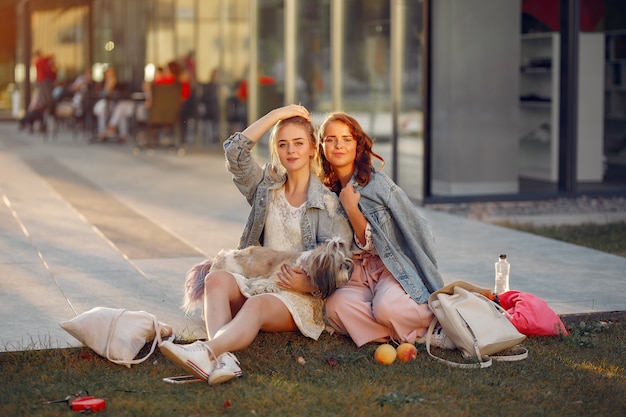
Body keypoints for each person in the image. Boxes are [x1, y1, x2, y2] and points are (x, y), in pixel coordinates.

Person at [159, 105, 353, 385]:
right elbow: (235, 153)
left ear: (312, 148)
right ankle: (225, 360)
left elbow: (341, 267)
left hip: (298, 297)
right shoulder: (265, 190)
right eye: (282, 144)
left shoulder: (328, 204)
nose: (291, 151)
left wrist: (306, 284)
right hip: (257, 282)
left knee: (256, 306)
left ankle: (208, 352)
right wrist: (278, 114)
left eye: (299, 143)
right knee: (215, 279)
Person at [317, 111, 453, 349]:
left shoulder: (377, 184)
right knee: (335, 308)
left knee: (386, 308)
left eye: (346, 139)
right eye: (331, 139)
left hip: (389, 267)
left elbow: (416, 228)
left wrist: (351, 207)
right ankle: (414, 334)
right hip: (358, 273)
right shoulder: (326, 191)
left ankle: (438, 320)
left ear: (357, 145)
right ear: (322, 146)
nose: (338, 145)